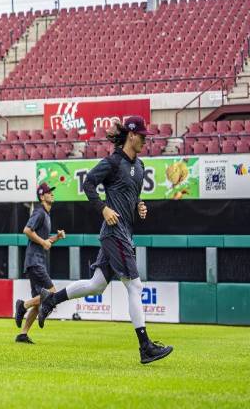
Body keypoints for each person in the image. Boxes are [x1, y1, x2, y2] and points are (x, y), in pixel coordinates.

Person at [38, 116, 174, 364]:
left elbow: (133, 197)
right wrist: (103, 208)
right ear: (131, 135)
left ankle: (51, 299)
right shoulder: (112, 162)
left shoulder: (140, 166)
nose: (145, 140)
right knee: (135, 286)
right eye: (142, 136)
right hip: (114, 233)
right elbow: (88, 183)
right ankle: (145, 346)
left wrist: (139, 206)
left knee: (97, 285)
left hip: (123, 232)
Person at [13, 182, 65, 344]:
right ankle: (22, 305)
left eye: (52, 192)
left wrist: (55, 238)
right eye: (49, 192)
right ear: (42, 196)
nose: (52, 194)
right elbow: (27, 230)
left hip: (36, 261)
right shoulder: (40, 212)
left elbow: (45, 241)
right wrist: (43, 242)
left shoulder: (46, 215)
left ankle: (23, 334)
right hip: (35, 261)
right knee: (50, 294)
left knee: (39, 300)